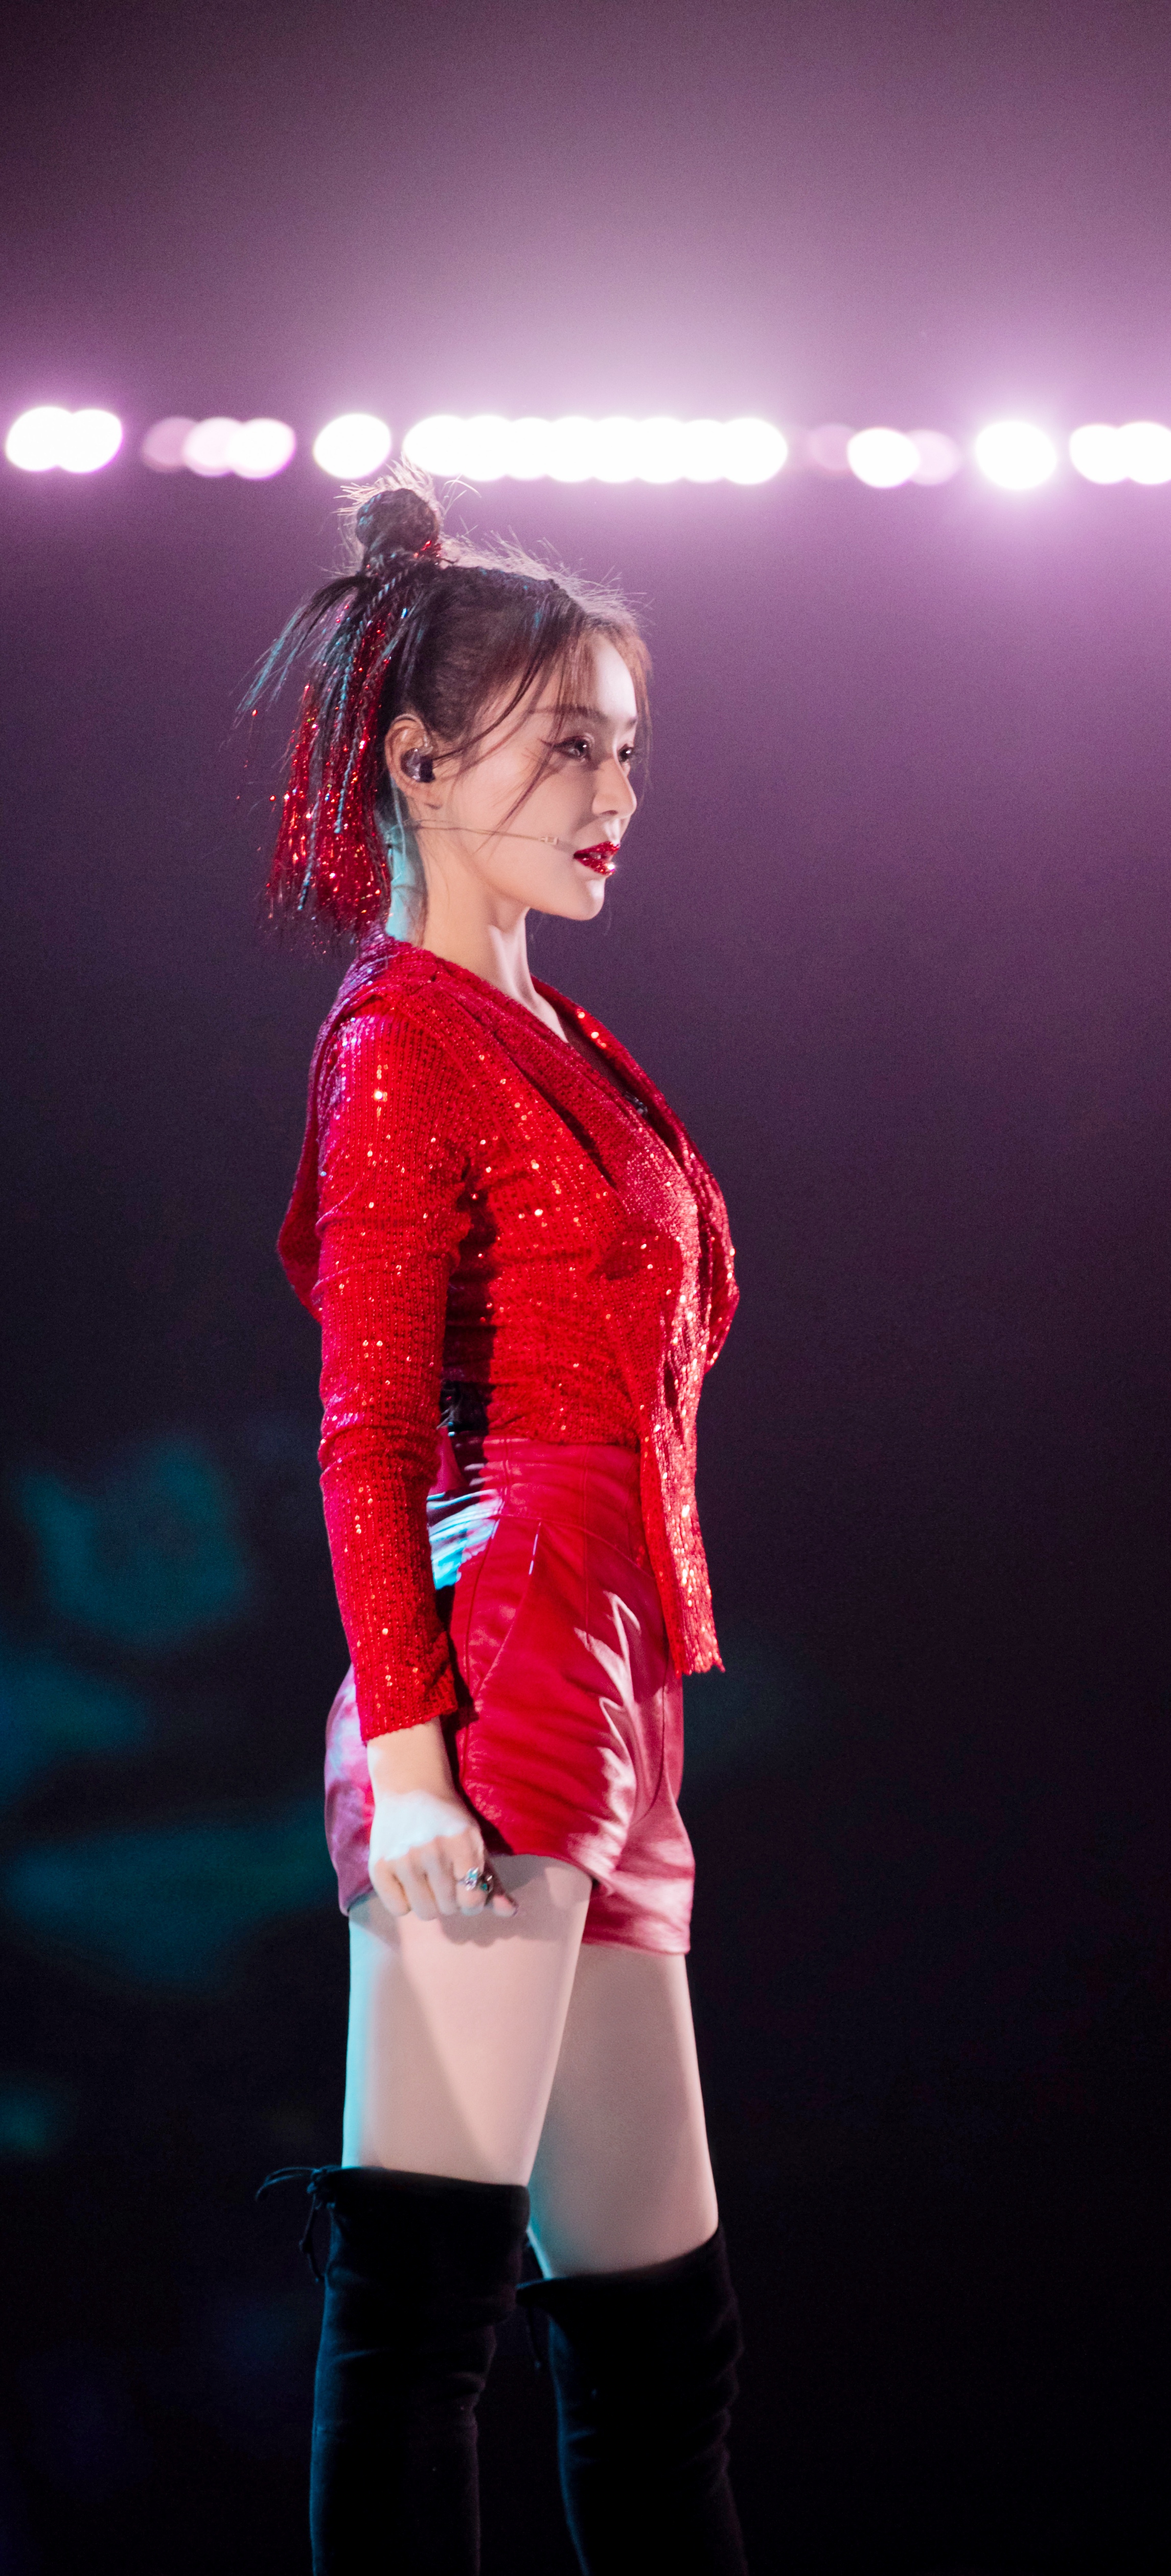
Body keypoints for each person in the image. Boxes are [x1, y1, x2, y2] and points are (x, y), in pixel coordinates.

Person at [260, 469, 747, 2574]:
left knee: (660, 2351)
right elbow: (365, 1430)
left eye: (626, 749)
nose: (615, 793)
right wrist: (411, 1756)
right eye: (569, 746)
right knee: (424, 2315)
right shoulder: (401, 1042)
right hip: (507, 1670)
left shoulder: (554, 1034)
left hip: (615, 1687)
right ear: (419, 762)